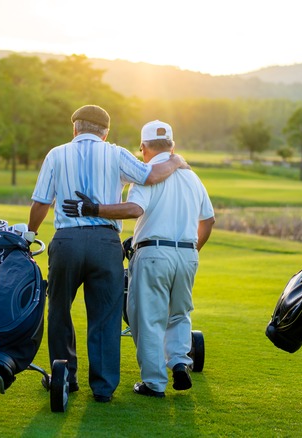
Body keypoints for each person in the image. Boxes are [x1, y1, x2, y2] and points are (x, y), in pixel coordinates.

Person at [28, 105, 187, 403]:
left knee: (60, 309)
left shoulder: (56, 154)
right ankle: (102, 388)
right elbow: (151, 176)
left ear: (74, 129)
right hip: (105, 243)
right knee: (105, 315)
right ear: (105, 132)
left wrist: (29, 236)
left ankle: (65, 377)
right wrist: (176, 161)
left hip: (67, 242)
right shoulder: (115, 153)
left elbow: (40, 202)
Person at [62, 120, 215, 398]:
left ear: (143, 148)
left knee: (147, 320)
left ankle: (154, 384)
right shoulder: (193, 177)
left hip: (153, 254)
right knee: (180, 313)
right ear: (172, 146)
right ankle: (180, 361)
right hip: (188, 254)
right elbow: (209, 220)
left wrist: (93, 209)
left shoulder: (147, 175)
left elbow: (134, 209)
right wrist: (194, 251)